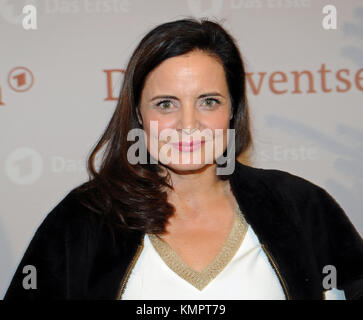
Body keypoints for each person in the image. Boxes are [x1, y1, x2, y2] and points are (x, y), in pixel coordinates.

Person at [4, 18, 363, 300]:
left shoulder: (301, 206)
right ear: (139, 114)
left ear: (233, 111)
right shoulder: (84, 218)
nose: (188, 125)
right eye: (166, 103)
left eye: (209, 101)